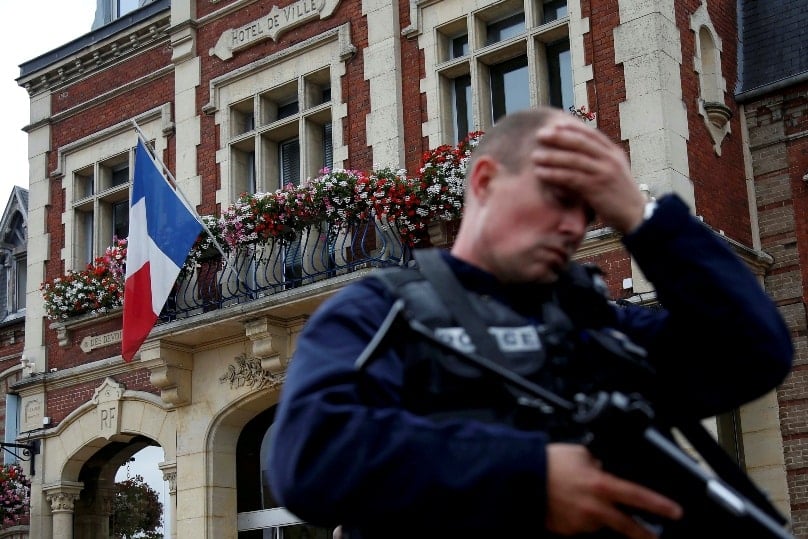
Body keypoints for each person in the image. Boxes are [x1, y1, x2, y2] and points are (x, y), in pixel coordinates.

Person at [266, 107, 793, 538]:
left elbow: (753, 353)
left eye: (590, 214)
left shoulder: (595, 331)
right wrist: (530, 473)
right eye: (559, 199)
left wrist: (641, 215)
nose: (572, 226)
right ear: (486, 180)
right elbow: (312, 456)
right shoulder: (382, 312)